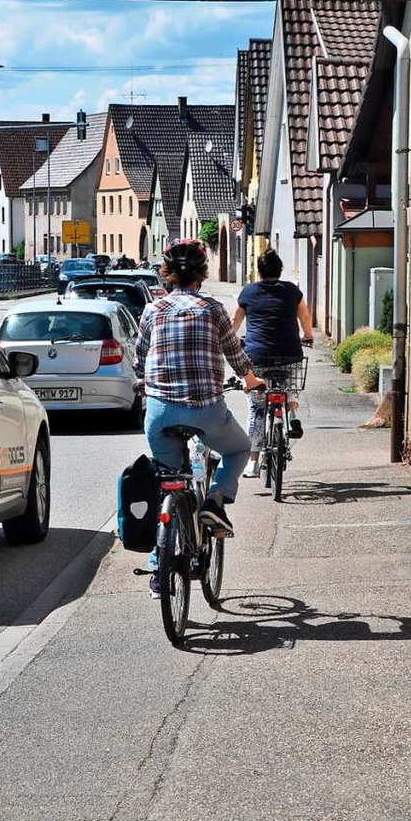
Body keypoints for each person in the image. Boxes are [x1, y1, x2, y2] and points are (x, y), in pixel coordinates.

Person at [134, 238, 265, 597]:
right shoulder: (212, 308)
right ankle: (215, 501)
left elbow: (139, 361)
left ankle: (158, 569)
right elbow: (236, 356)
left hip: (160, 413)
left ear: (167, 274)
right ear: (202, 275)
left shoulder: (153, 310)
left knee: (167, 481)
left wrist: (144, 384)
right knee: (239, 449)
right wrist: (252, 381)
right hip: (206, 410)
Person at [232, 248, 313, 478]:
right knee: (290, 384)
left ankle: (253, 463)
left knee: (257, 408)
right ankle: (292, 414)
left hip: (257, 356)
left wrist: (231, 339)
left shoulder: (248, 292)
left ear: (259, 272)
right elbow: (305, 317)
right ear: (280, 270)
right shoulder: (292, 291)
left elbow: (234, 322)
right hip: (289, 352)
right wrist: (307, 335)